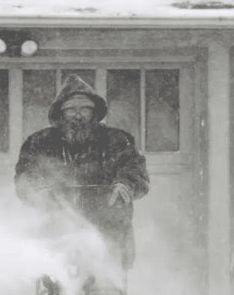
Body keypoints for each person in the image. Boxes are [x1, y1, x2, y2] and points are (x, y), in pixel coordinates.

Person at [14, 74, 149, 271]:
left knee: (107, 289)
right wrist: (38, 190)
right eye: (71, 109)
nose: (78, 115)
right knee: (57, 280)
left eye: (85, 108)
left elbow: (134, 168)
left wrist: (125, 184)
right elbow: (27, 173)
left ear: (95, 113)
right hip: (56, 228)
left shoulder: (118, 140)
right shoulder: (39, 142)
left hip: (108, 227)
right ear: (60, 113)